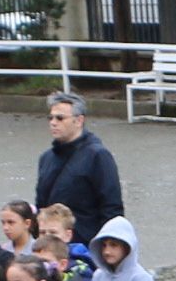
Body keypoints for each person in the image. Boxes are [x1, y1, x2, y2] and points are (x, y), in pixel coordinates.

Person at [31, 92, 125, 239]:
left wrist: (106, 245)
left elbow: (112, 208)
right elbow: (41, 206)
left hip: (86, 243)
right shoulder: (46, 158)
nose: (53, 122)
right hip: (51, 244)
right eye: (50, 118)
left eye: (60, 118)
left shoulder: (98, 156)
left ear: (79, 120)